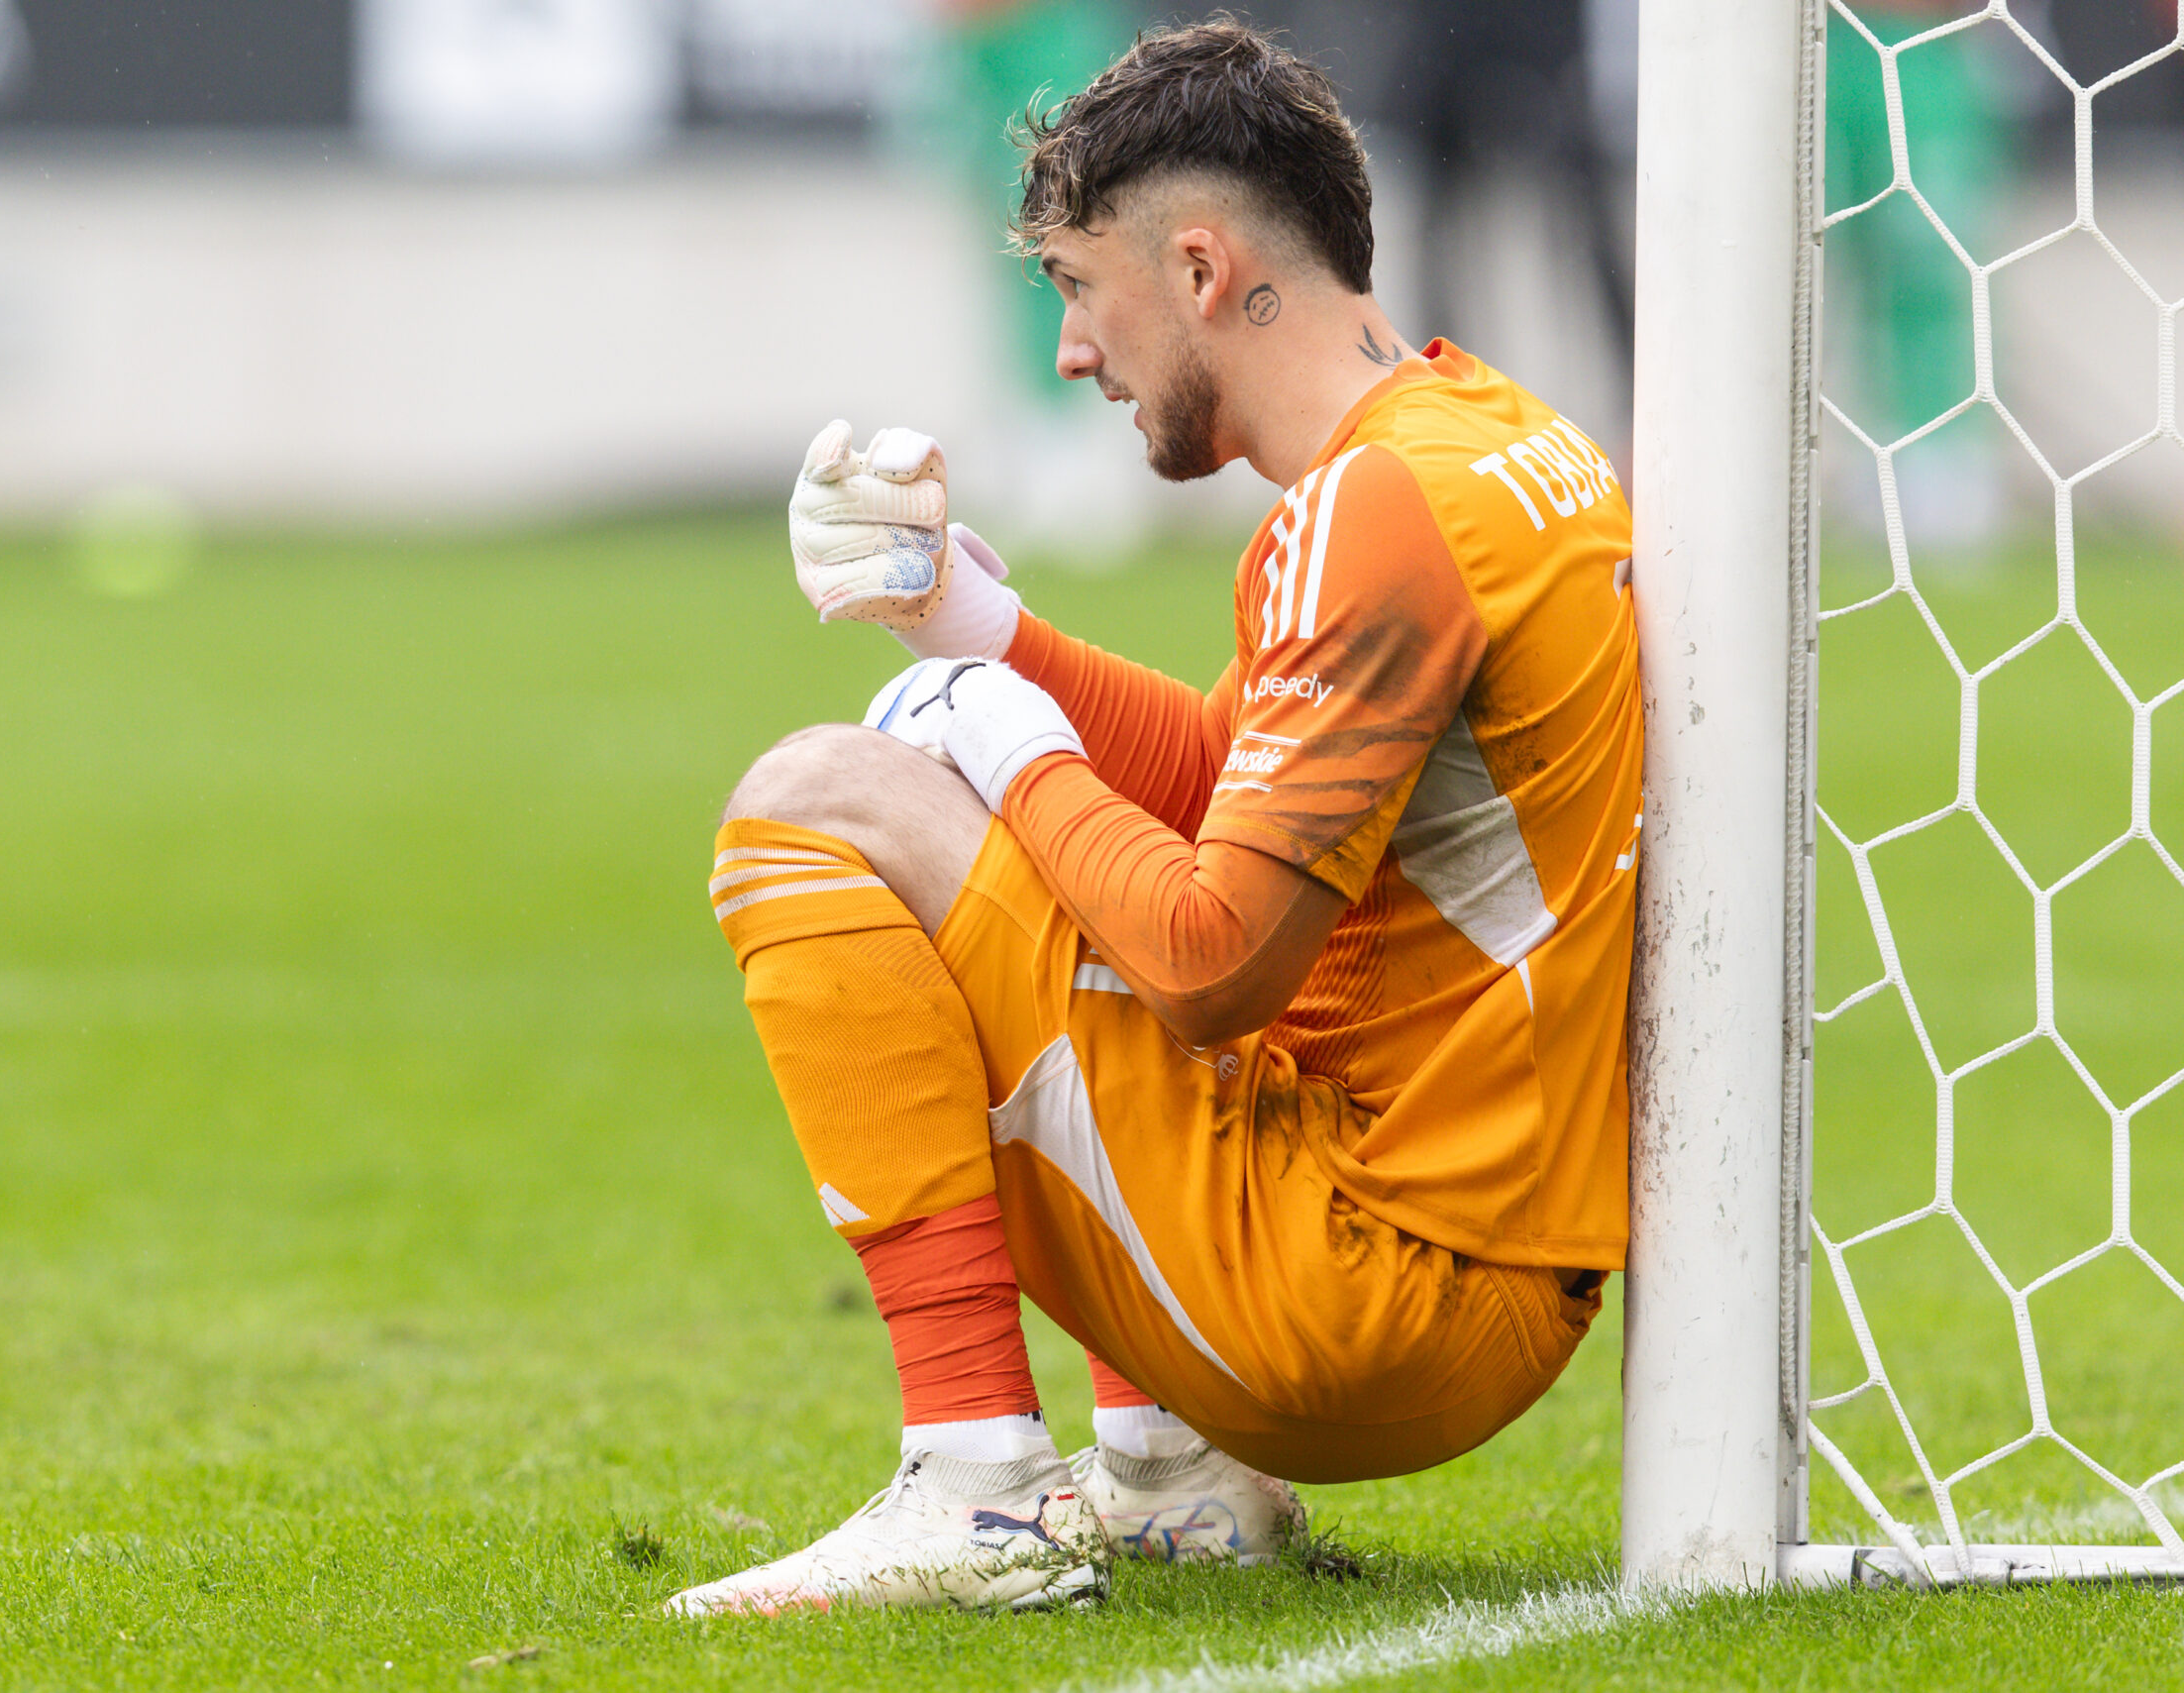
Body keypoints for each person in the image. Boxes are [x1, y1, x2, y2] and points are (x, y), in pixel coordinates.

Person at [671, 17, 1640, 1619]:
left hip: (1368, 1288)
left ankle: (977, 1485)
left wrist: (1009, 745)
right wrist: (987, 638)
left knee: (812, 803)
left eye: (1076, 287)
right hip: (1485, 1253)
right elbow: (1236, 783)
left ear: (1200, 269)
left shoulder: (1372, 512)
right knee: (1037, 814)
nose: (1071, 352)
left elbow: (1208, 959)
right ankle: (1174, 1477)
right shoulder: (1485, 439)